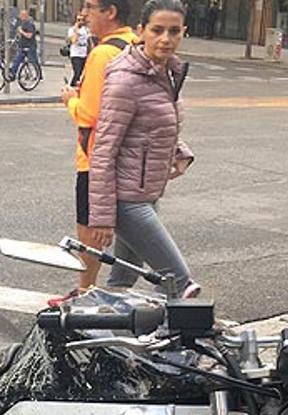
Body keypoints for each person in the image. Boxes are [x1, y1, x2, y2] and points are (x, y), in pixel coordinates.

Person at [88, 0, 199, 298]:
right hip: (127, 201)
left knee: (122, 281)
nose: (166, 39)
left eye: (174, 31)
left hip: (146, 195)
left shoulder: (166, 73)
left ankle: (100, 338)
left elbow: (155, 128)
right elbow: (103, 149)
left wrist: (179, 153)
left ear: (183, 33)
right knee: (178, 281)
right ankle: (177, 341)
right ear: (141, 31)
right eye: (157, 30)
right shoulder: (125, 80)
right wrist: (101, 217)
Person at [53, 0, 136, 305]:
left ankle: (86, 291)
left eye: (89, 6)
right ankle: (116, 291)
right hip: (128, 154)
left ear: (110, 11)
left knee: (90, 229)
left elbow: (88, 115)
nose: (84, 13)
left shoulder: (102, 53)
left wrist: (69, 100)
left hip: (95, 156)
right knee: (129, 227)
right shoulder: (134, 43)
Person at [9, 8, 38, 79]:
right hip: (22, 46)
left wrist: (21, 32)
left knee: (33, 61)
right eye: (20, 15)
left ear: (26, 16)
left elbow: (29, 35)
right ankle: (12, 73)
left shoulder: (30, 24)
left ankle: (38, 75)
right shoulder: (22, 23)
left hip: (30, 46)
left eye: (22, 15)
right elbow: (20, 34)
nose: (20, 16)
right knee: (17, 60)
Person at [66, 9, 91, 86]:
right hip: (75, 54)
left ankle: (77, 87)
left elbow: (89, 41)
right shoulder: (71, 30)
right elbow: (73, 41)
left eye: (82, 20)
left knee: (83, 74)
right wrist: (76, 30)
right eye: (78, 20)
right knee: (77, 72)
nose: (81, 22)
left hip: (84, 53)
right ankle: (71, 86)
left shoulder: (86, 30)